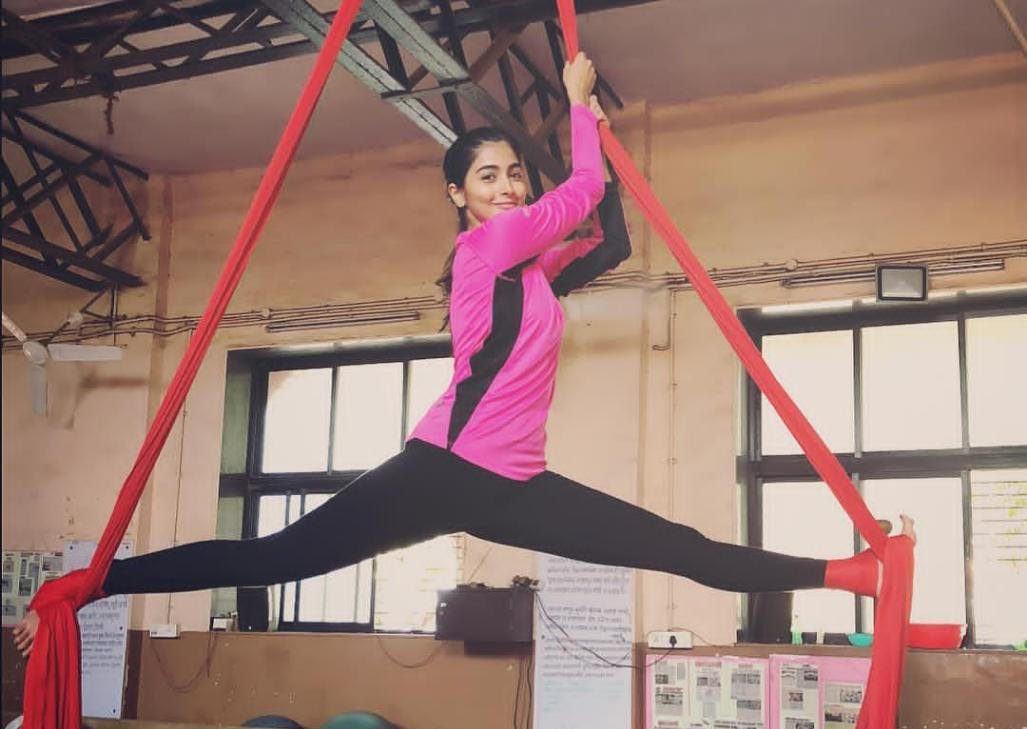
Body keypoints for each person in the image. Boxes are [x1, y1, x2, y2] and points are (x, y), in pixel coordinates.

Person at [13, 53, 913, 657]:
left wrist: (592, 129)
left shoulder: (533, 273)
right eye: (489, 175)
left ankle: (851, 575)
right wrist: (575, 101)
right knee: (277, 559)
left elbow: (606, 238)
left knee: (668, 545)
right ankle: (92, 582)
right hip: (441, 469)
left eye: (516, 173)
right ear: (460, 197)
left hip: (511, 481)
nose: (510, 185)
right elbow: (586, 189)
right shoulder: (487, 252)